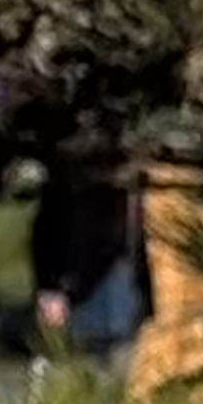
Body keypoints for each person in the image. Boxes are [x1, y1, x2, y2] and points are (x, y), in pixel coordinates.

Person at [28, 154, 152, 375]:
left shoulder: (126, 191)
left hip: (116, 305)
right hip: (91, 302)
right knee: (85, 372)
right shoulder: (72, 188)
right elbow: (44, 235)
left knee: (107, 377)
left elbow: (134, 243)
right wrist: (51, 288)